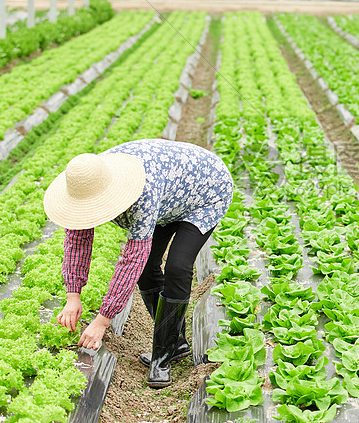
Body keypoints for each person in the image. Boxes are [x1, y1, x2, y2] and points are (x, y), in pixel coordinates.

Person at [43, 139, 233, 388]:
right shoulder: (87, 181)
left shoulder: (140, 192)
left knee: (177, 266)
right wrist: (72, 295)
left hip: (206, 190)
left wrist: (102, 321)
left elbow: (132, 258)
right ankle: (177, 343)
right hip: (171, 194)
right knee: (147, 266)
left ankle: (163, 357)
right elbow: (77, 240)